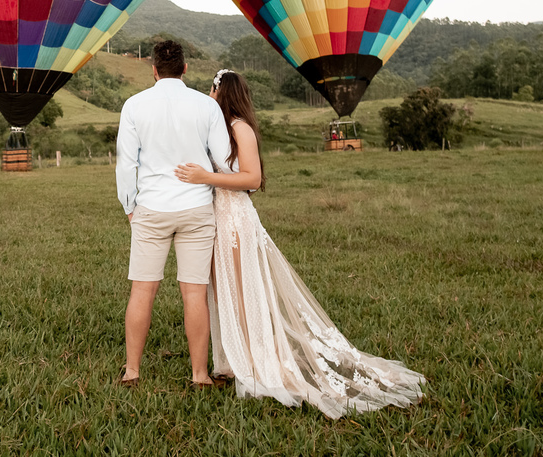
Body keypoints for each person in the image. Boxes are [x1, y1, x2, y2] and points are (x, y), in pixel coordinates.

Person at [175, 69, 426, 418]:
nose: (209, 96)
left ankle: (257, 361)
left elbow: (252, 178)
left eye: (212, 90)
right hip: (215, 216)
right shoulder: (217, 130)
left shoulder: (239, 128)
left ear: (222, 92)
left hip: (235, 218)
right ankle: (232, 359)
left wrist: (206, 177)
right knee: (224, 292)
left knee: (244, 292)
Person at [115, 40, 231, 388]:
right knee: (194, 293)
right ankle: (200, 375)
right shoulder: (205, 106)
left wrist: (130, 206)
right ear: (184, 69)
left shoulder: (134, 105)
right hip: (196, 207)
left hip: (151, 208)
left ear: (153, 70)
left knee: (142, 290)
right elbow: (223, 160)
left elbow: (126, 163)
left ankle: (132, 371)